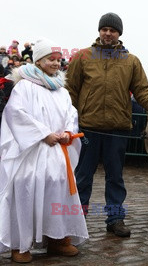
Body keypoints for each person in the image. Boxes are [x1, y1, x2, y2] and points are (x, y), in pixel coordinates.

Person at [66, 12, 148, 237]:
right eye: (104, 29)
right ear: (99, 31)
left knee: (116, 178)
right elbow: (70, 90)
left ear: (119, 33)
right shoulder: (82, 57)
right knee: (82, 176)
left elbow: (141, 91)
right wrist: (69, 118)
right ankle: (76, 220)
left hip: (117, 130)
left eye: (112, 30)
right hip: (87, 129)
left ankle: (115, 219)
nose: (108, 33)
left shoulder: (131, 61)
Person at [0, 38, 88, 263]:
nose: (57, 64)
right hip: (31, 151)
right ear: (39, 61)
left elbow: (71, 114)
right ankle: (20, 244)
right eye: (51, 59)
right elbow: (15, 113)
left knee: (58, 188)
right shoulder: (25, 86)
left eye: (59, 60)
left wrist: (68, 131)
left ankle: (57, 239)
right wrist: (42, 134)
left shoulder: (61, 90)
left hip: (57, 153)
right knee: (26, 186)